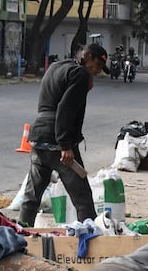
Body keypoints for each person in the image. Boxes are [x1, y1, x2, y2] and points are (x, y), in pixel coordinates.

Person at [17, 44, 110, 227]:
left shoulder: (56, 67)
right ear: (87, 56)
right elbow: (65, 109)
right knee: (82, 196)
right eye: (98, 65)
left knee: (32, 196)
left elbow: (50, 101)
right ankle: (90, 236)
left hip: (39, 137)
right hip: (57, 141)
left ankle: (20, 232)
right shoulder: (80, 74)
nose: (98, 71)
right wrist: (65, 145)